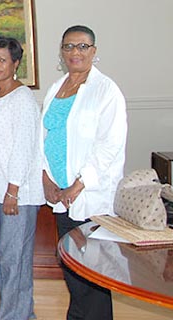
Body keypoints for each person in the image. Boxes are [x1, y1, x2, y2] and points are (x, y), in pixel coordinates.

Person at [40, 25, 127, 320]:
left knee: (95, 277)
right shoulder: (56, 88)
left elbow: (109, 146)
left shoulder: (106, 90)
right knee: (73, 272)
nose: (74, 52)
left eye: (82, 46)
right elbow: (43, 138)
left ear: (94, 51)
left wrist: (77, 186)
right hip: (61, 198)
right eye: (68, 47)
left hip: (90, 199)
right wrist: (46, 179)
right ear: (61, 52)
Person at [0, 37, 44, 320]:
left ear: (15, 64)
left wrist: (13, 190)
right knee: (3, 257)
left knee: (14, 257)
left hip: (18, 192)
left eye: (2, 60)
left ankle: (14, 315)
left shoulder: (23, 99)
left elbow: (24, 148)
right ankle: (18, 311)